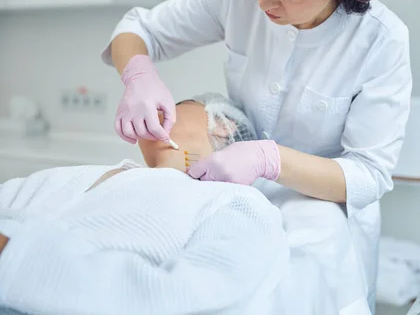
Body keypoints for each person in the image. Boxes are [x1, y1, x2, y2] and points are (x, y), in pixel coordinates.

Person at [102, 0, 412, 309]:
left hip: (319, 204)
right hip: (231, 184)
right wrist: (138, 74)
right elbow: (139, 29)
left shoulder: (380, 42)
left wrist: (270, 159)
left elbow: (369, 175)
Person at [0, 95, 293, 315]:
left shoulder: (236, 202)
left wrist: (12, 255)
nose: (157, 109)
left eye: (178, 103)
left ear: (222, 125)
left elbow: (195, 297)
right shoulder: (76, 175)